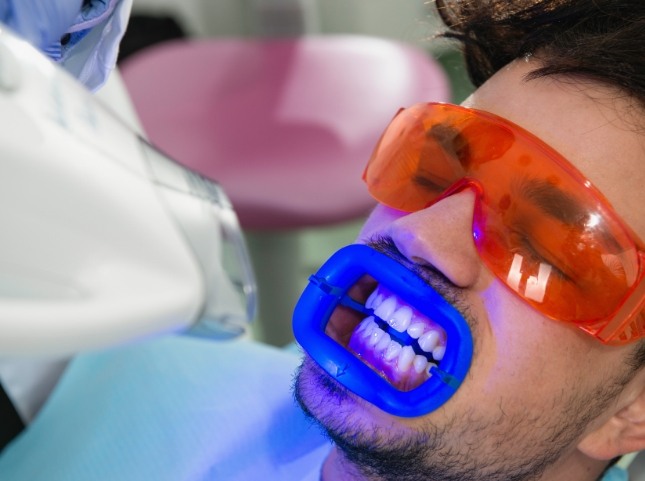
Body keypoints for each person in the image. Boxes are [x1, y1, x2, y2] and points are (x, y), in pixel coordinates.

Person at [292, 1, 645, 480]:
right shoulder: (160, 381)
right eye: (434, 172)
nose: (418, 233)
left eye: (546, 246)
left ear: (633, 409)